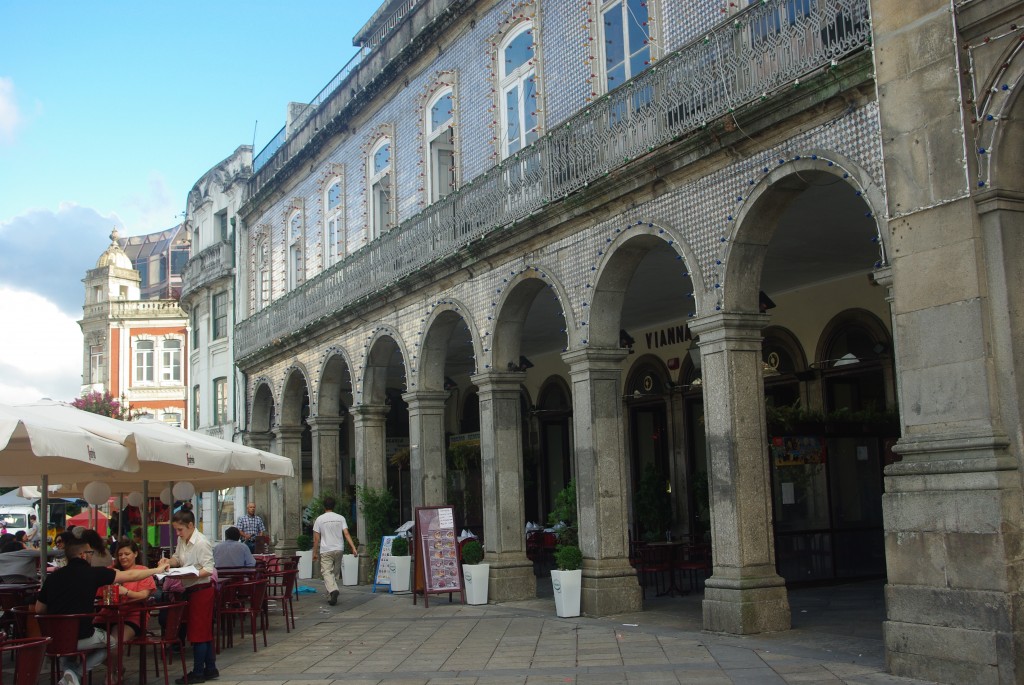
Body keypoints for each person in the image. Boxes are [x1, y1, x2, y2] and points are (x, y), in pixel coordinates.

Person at [35, 529, 169, 685]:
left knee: (68, 645)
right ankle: (76, 673)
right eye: (90, 553)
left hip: (54, 638)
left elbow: (39, 609)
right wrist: (158, 570)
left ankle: (69, 675)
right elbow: (131, 576)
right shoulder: (94, 573)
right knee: (112, 642)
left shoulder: (53, 578)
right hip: (83, 635)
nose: (92, 555)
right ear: (83, 555)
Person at [165, 509, 218, 683]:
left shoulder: (202, 542)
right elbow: (177, 559)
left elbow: (208, 569)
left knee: (198, 632)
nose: (178, 533)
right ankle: (210, 668)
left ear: (190, 525)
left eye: (180, 529)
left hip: (201, 590)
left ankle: (198, 672)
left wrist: (188, 574)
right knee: (201, 630)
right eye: (176, 530)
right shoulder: (183, 540)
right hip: (191, 590)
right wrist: (168, 563)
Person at [94, 538, 155, 642]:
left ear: (135, 554)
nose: (123, 557)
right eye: (120, 554)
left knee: (116, 641)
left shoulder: (143, 571)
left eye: (127, 554)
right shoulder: (112, 570)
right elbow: (99, 594)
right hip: (107, 614)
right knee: (89, 640)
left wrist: (126, 592)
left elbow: (144, 595)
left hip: (132, 615)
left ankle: (109, 657)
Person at [312, 496, 357, 606]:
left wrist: (314, 552)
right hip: (339, 549)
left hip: (326, 549)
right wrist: (353, 547)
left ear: (324, 506)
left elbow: (316, 538)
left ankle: (333, 591)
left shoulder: (319, 519)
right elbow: (346, 533)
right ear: (334, 506)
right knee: (334, 573)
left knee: (326, 572)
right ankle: (331, 596)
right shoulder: (340, 518)